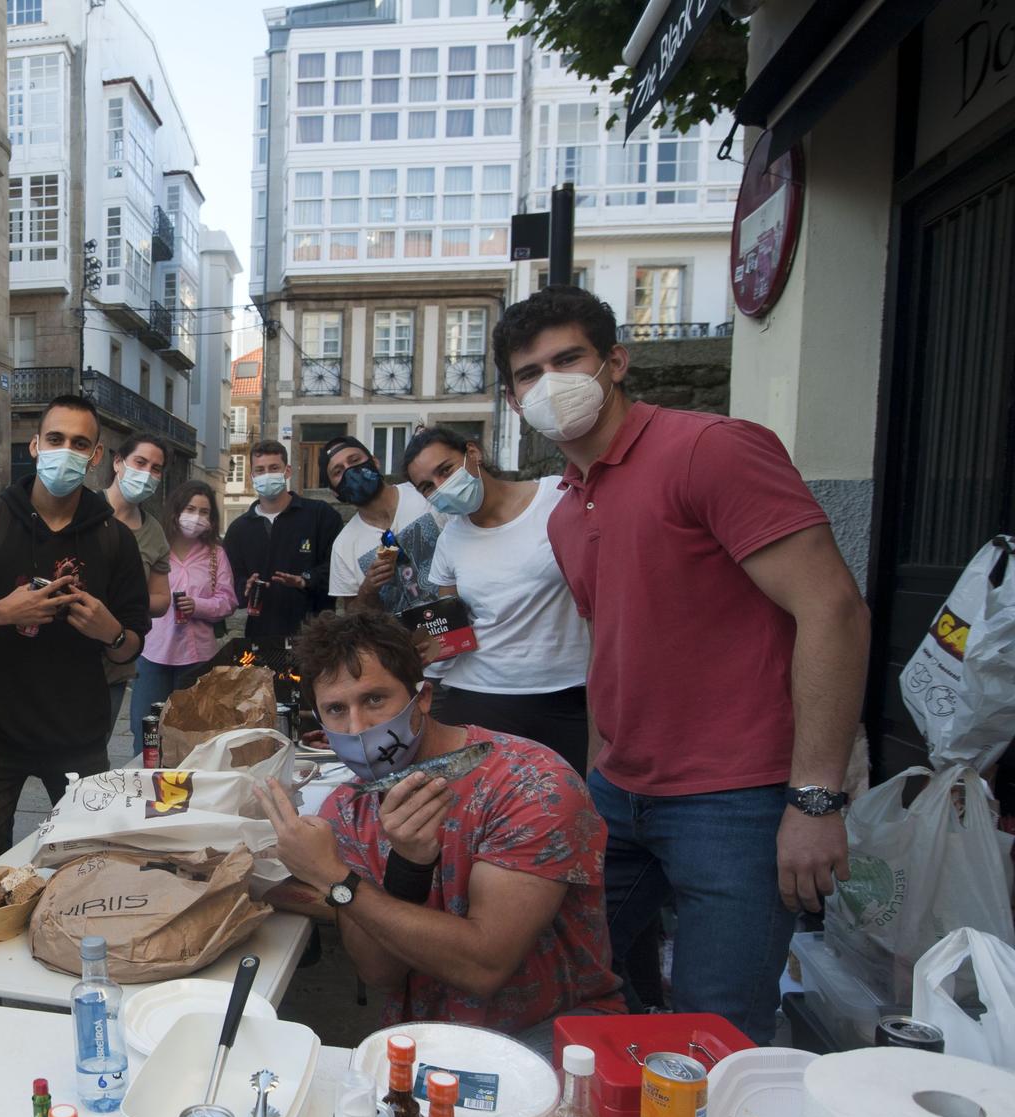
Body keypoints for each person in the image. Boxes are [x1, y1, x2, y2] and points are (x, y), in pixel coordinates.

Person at [497, 284, 869, 1043]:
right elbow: (609, 642)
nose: (550, 382)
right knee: (553, 978)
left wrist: (815, 799)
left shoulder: (711, 450)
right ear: (513, 400)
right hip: (620, 795)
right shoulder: (568, 511)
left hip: (736, 803)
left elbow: (832, 608)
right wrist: (599, 768)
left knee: (715, 1033)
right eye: (530, 373)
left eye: (568, 358)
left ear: (615, 363)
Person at [259, 609, 623, 1052]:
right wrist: (405, 869)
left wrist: (334, 879)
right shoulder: (350, 807)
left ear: (423, 698)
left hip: (550, 1035)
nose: (358, 728)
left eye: (375, 699)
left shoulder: (531, 783)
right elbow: (378, 972)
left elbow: (485, 967)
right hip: (423, 1040)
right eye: (337, 709)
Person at [0, 393, 153, 862]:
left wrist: (109, 632)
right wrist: (0, 613)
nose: (65, 451)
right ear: (34, 445)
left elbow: (129, 646)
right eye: (55, 438)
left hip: (78, 738)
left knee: (90, 864)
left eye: (78, 443)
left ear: (95, 457)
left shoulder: (114, 538)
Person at [401, 426, 590, 771]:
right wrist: (420, 653)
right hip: (479, 697)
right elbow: (451, 628)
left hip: (568, 696)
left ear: (473, 454)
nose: (441, 486)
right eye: (427, 485)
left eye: (445, 470)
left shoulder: (558, 497)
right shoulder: (450, 541)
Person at [132, 479, 238, 723]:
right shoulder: (156, 547)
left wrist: (198, 605)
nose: (196, 517)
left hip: (197, 654)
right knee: (147, 725)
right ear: (176, 511)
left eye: (204, 512)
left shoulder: (215, 554)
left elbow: (228, 600)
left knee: (194, 727)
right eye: (190, 509)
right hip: (153, 650)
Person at [223, 438, 341, 641]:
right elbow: (231, 580)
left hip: (315, 636)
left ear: (287, 471)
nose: (267, 475)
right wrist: (246, 587)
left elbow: (338, 566)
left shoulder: (321, 515)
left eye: (273, 468)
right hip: (261, 637)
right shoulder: (238, 530)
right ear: (252, 476)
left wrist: (305, 580)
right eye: (260, 470)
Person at [101, 433, 174, 728]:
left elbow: (161, 600)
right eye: (140, 462)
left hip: (115, 663)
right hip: (64, 659)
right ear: (118, 462)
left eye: (155, 468)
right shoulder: (84, 509)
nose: (147, 474)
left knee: (92, 755)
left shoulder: (154, 532)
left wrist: (123, 603)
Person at [325, 435, 441, 614]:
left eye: (355, 460)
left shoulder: (424, 494)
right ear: (335, 492)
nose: (350, 472)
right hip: (399, 640)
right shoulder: (343, 546)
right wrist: (368, 589)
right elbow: (352, 615)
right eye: (338, 471)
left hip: (460, 631)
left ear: (374, 462)